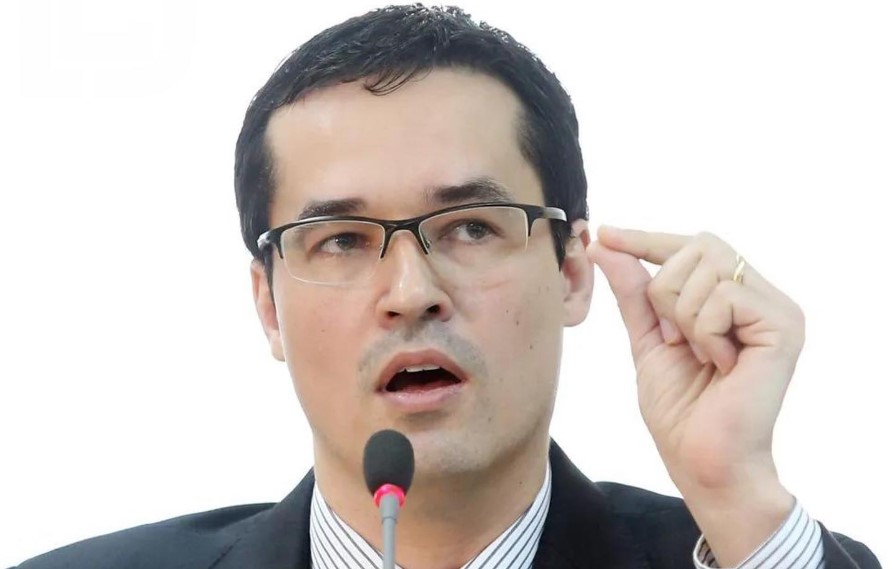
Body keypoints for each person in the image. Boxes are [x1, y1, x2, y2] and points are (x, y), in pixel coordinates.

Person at [11, 4, 880, 569]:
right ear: (268, 305)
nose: (410, 291)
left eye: (469, 227)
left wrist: (735, 493)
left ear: (571, 269)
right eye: (341, 240)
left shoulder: (747, 551)